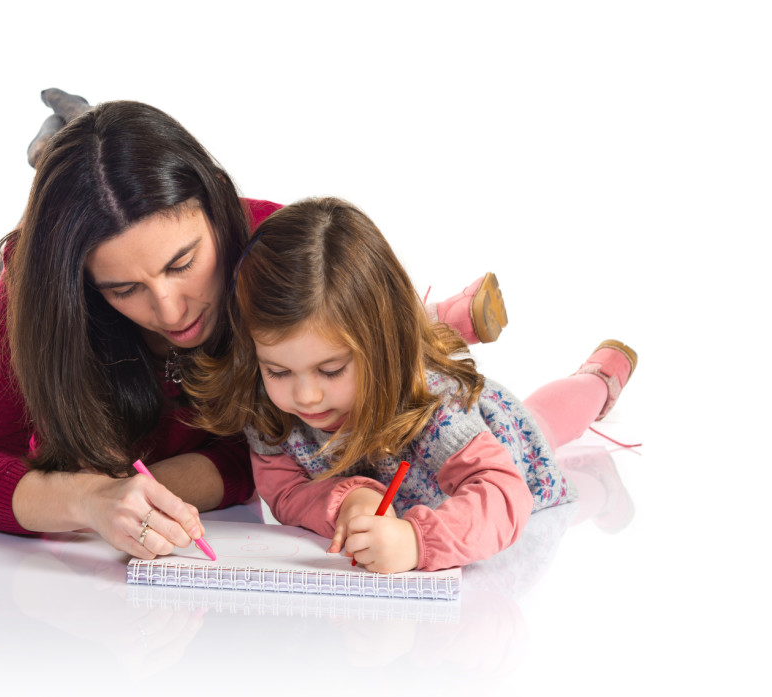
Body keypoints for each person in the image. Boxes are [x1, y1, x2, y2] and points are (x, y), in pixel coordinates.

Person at [0, 94, 510, 561]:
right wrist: (90, 499)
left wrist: (146, 492)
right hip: (34, 308)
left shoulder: (272, 251)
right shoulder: (44, 287)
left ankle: (65, 156)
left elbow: (261, 457)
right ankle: (53, 174)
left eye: (182, 264)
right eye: (123, 288)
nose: (170, 313)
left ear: (216, 203)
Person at [183, 197, 637, 573]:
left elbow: (504, 494)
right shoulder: (266, 405)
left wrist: (418, 542)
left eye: (331, 370)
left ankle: (597, 381)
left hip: (506, 443)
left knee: (545, 428)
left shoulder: (432, 407)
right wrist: (347, 501)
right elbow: (283, 490)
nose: (304, 396)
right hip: (406, 490)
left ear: (382, 346)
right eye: (279, 371)